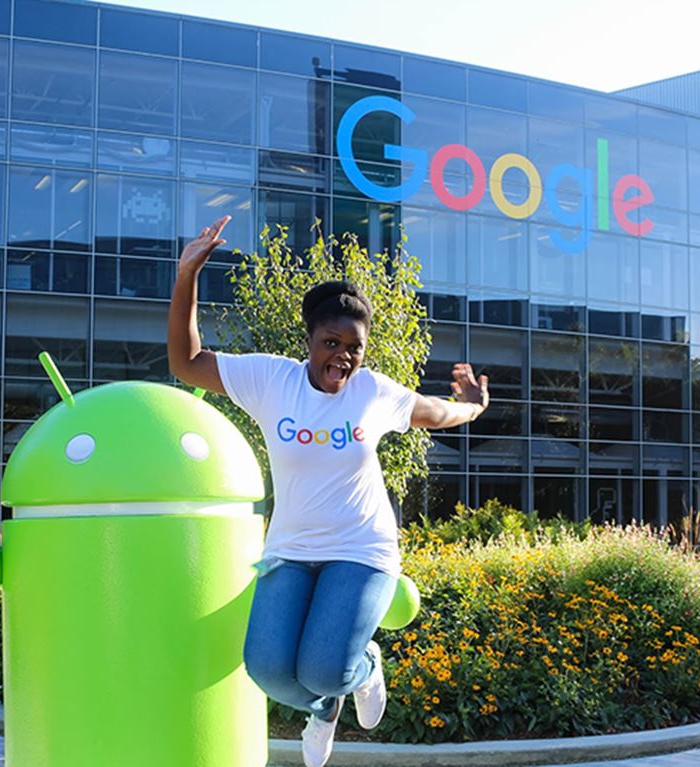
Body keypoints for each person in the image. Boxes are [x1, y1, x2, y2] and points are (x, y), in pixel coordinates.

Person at [167, 216, 488, 767]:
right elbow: (186, 363)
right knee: (267, 669)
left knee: (323, 669)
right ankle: (326, 708)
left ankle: (360, 667)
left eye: (354, 347)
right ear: (309, 341)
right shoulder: (273, 380)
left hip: (361, 550)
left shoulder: (374, 392)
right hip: (290, 549)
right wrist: (186, 277)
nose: (342, 355)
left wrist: (475, 405)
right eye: (330, 342)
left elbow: (437, 413)